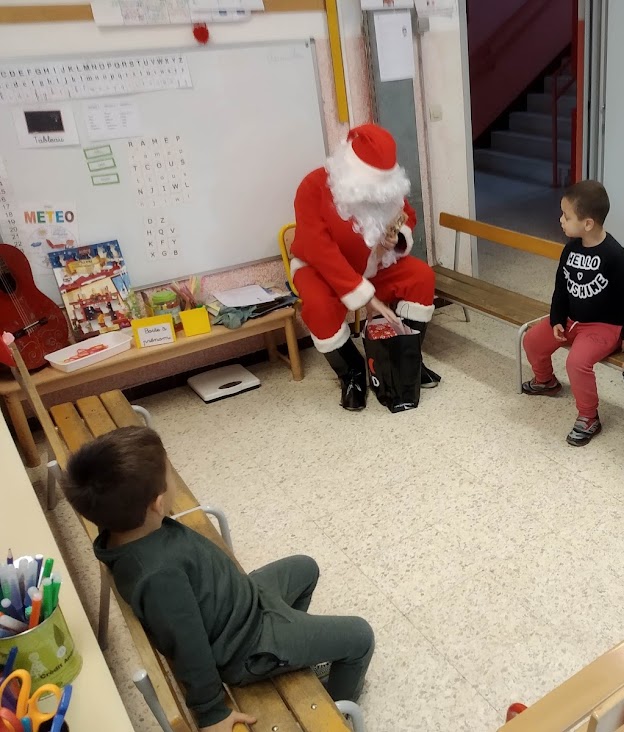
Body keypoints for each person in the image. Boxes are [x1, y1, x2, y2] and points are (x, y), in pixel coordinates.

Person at [61, 427, 375, 732]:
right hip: (248, 643)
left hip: (244, 601)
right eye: (171, 474)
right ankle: (335, 713)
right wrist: (211, 711)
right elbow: (189, 646)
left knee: (305, 567)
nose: (174, 478)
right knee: (360, 636)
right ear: (157, 503)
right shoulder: (159, 577)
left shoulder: (124, 529)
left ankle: (289, 657)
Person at [292, 123, 440, 411]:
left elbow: (407, 215)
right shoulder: (313, 187)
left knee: (421, 277)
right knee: (319, 307)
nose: (377, 193)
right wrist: (366, 297)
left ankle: (405, 360)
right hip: (321, 269)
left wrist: (396, 237)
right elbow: (320, 250)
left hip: (376, 264)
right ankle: (352, 373)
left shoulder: (388, 187)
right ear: (353, 169)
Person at [521, 180, 624, 446]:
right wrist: (556, 318)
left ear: (587, 223)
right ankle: (546, 381)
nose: (560, 220)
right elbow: (561, 287)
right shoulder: (571, 248)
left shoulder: (616, 255)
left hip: (603, 326)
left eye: (566, 216)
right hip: (570, 320)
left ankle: (589, 417)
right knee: (531, 340)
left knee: (576, 363)